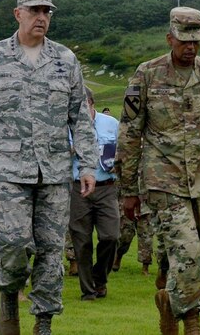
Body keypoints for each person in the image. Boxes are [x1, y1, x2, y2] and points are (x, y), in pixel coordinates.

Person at [0, 0, 98, 335]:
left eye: (47, 11)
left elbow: (80, 116)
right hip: (7, 171)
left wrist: (88, 164)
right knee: (15, 243)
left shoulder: (65, 59)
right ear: (17, 13)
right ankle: (8, 294)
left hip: (53, 171)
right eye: (34, 10)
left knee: (52, 249)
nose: (42, 17)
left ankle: (44, 321)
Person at [116, 6, 200, 335]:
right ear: (170, 38)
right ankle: (192, 323)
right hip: (163, 180)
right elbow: (129, 135)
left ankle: (169, 296)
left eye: (197, 41)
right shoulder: (147, 75)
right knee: (186, 250)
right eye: (184, 41)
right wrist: (128, 190)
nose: (191, 47)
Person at [69, 87, 120, 301]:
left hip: (106, 186)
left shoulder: (111, 124)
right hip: (78, 188)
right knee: (81, 241)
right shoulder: (66, 126)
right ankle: (88, 289)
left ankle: (100, 277)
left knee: (111, 236)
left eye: (84, 107)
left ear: (92, 104)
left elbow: (125, 147)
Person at [114, 201, 153, 275]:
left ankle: (145, 268)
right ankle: (118, 258)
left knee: (146, 238)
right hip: (127, 206)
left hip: (145, 206)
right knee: (125, 235)